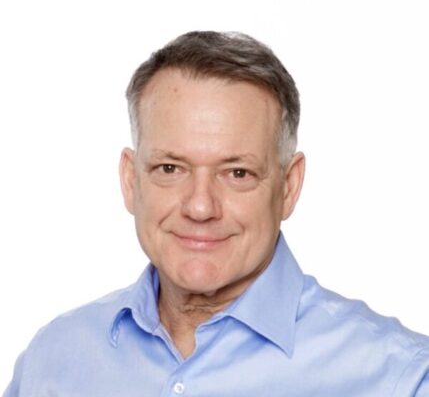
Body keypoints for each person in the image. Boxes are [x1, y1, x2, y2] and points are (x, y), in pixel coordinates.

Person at [4, 31, 429, 397]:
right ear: (131, 181)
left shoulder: (399, 377)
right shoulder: (51, 363)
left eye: (237, 172)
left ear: (289, 186)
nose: (200, 206)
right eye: (170, 169)